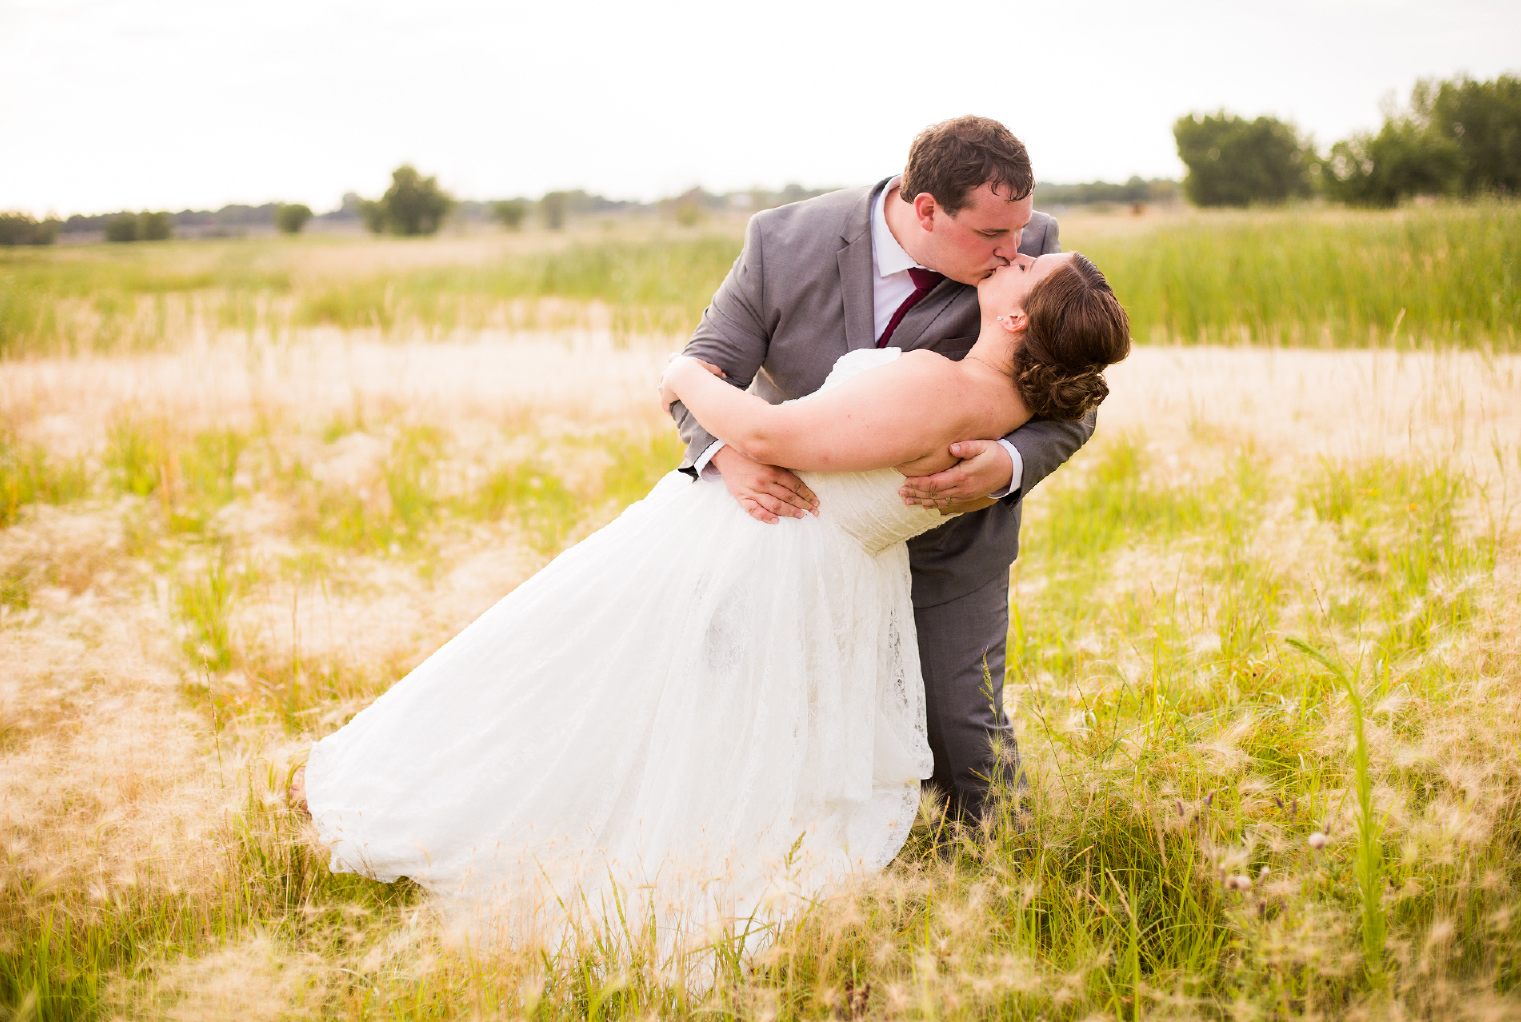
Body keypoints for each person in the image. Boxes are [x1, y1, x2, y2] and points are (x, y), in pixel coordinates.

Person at [299, 245, 1130, 953]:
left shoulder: (942, 386)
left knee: (579, 676)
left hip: (761, 547)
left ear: (1018, 320)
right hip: (826, 565)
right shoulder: (1012, 399)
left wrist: (683, 374)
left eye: (1026, 266)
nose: (1015, 253)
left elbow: (770, 436)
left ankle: (521, 839)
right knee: (695, 725)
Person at [670, 115, 1095, 826]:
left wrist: (1009, 462)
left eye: (1018, 231)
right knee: (755, 710)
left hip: (950, 546)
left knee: (965, 735)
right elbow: (707, 364)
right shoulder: (781, 241)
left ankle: (1005, 884)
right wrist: (728, 456)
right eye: (991, 236)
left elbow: (1076, 399)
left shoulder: (1035, 254)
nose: (1010, 250)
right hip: (794, 535)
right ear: (923, 206)